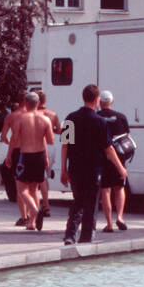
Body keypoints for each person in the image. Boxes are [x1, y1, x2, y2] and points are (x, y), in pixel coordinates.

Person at [59, 84, 127, 246]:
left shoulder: (70, 118)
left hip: (75, 168)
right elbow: (108, 148)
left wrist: (63, 169)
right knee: (91, 204)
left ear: (83, 98)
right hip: (93, 169)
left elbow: (65, 145)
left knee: (78, 201)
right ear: (97, 100)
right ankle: (87, 237)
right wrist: (120, 167)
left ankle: (70, 235)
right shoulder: (100, 121)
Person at [3, 91, 53, 231]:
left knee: (22, 190)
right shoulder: (46, 119)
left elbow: (14, 139)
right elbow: (50, 140)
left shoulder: (21, 119)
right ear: (38, 103)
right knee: (34, 189)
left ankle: (36, 212)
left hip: (25, 155)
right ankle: (32, 223)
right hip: (40, 155)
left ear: (25, 102)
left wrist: (9, 155)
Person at [97, 90, 130, 232]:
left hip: (103, 159)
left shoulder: (96, 117)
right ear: (112, 102)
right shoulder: (121, 117)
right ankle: (120, 217)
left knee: (105, 190)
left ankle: (109, 223)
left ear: (100, 102)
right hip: (119, 158)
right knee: (119, 188)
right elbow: (127, 136)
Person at [35, 90, 60, 220]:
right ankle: (45, 204)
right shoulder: (53, 114)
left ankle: (46, 206)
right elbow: (60, 130)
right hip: (52, 148)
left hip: (40, 146)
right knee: (45, 177)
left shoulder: (35, 114)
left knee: (42, 178)